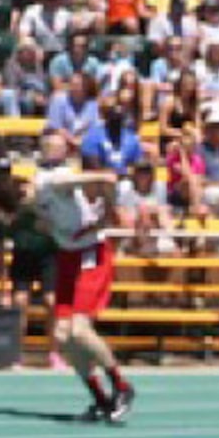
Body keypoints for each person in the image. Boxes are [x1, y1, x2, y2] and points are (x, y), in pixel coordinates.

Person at [29, 127, 134, 422]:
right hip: (68, 256)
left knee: (78, 329)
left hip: (90, 255)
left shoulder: (59, 176)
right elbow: (40, 215)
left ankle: (123, 386)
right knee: (62, 336)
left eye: (58, 145)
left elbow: (102, 180)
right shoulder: (39, 183)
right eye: (48, 144)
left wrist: (107, 194)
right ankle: (100, 400)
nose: (53, 148)